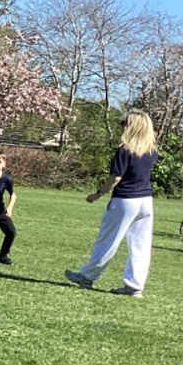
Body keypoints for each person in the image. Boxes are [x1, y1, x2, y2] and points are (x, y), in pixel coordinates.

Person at [65, 109, 158, 296]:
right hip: (146, 201)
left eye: (125, 123)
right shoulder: (151, 151)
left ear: (132, 127)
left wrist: (98, 194)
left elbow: (116, 177)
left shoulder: (125, 150)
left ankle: (87, 276)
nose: (122, 126)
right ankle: (135, 285)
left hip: (125, 200)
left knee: (107, 240)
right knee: (140, 245)